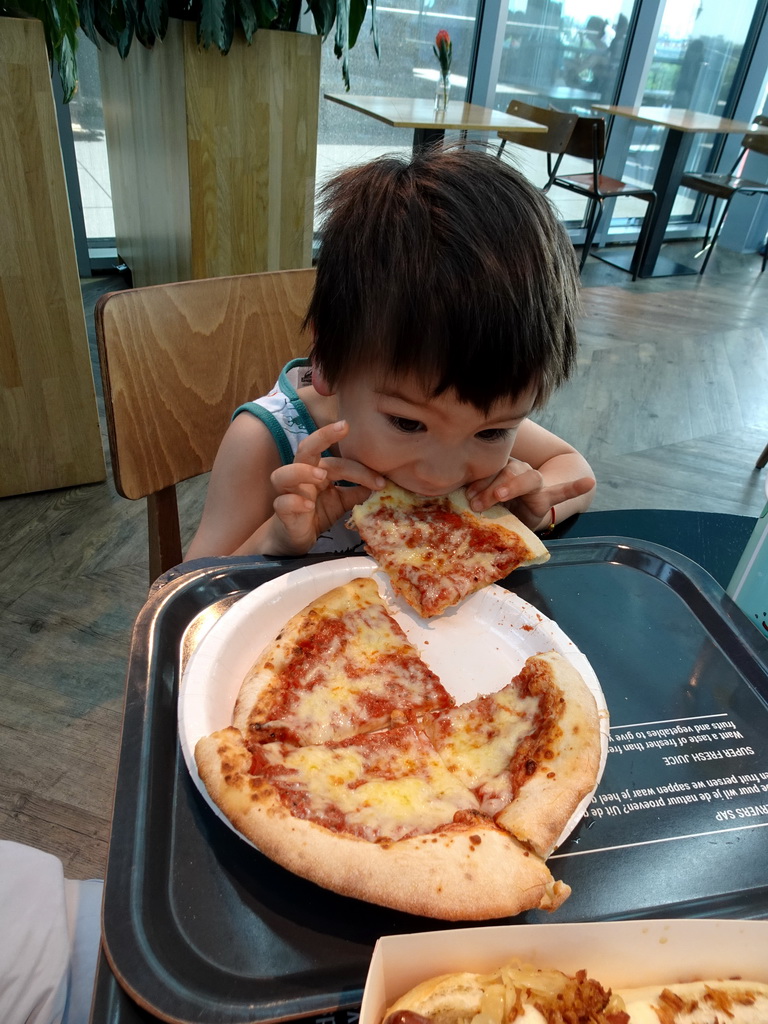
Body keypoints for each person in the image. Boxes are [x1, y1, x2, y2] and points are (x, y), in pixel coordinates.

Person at [186, 144, 595, 562]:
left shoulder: (460, 413)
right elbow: (185, 592)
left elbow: (574, 469)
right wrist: (275, 541)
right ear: (328, 358)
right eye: (406, 423)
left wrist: (537, 510)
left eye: (491, 433)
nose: (441, 476)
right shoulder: (266, 441)